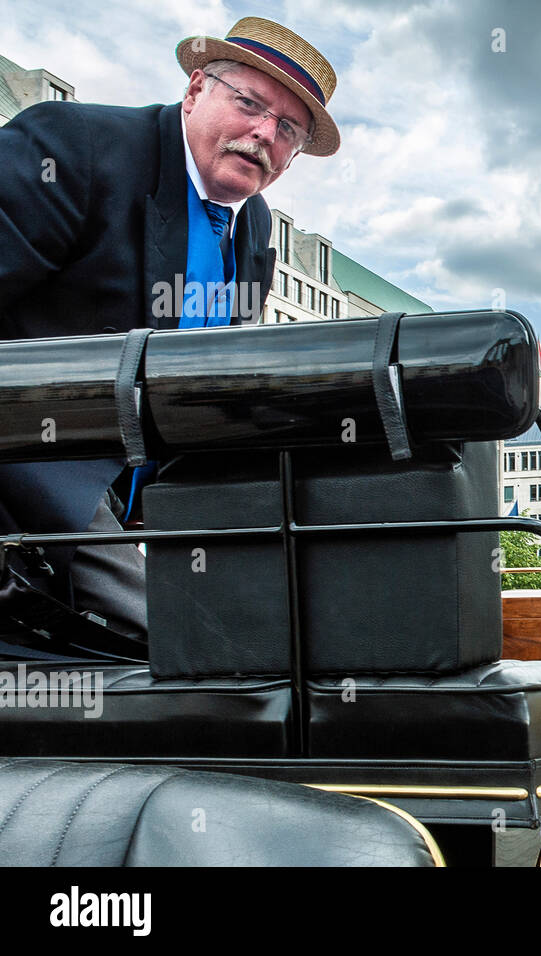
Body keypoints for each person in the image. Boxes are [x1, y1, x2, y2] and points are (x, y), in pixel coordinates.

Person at [0, 17, 341, 645]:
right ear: (194, 90)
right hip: (48, 475)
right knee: (200, 644)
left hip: (163, 500)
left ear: (292, 157)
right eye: (250, 103)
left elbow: (221, 390)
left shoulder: (254, 227)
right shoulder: (73, 145)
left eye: (287, 128)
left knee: (303, 621)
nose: (264, 131)